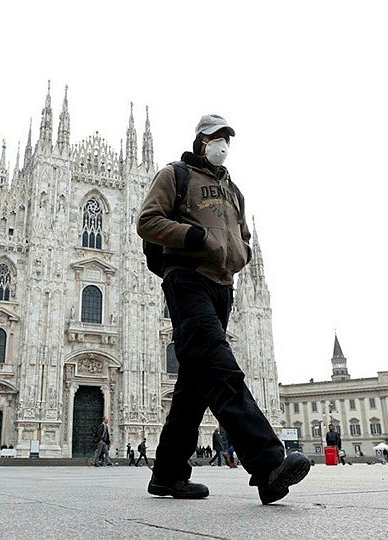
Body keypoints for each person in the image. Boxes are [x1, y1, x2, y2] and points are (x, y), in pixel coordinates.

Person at [136, 115, 310, 505]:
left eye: (227, 139)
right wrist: (192, 236)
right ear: (200, 141)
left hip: (221, 286)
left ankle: (167, 474)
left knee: (194, 384)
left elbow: (241, 236)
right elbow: (147, 221)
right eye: (216, 138)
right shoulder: (174, 175)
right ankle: (268, 464)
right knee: (219, 366)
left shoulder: (233, 190)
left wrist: (240, 255)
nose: (222, 145)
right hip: (186, 278)